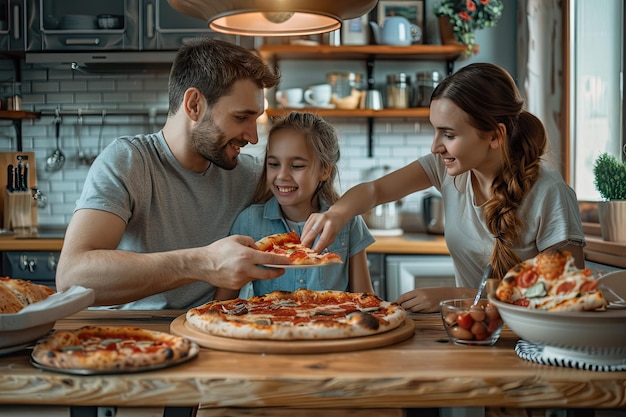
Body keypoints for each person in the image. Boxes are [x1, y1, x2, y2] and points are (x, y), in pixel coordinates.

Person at [300, 63, 586, 313]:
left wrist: (459, 296)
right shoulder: (448, 170)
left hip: (530, 341)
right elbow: (376, 191)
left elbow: (563, 288)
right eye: (435, 130)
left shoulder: (550, 192)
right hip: (472, 330)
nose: (435, 146)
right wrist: (335, 214)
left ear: (495, 136)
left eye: (448, 134)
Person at [56, 38, 292, 309]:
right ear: (194, 105)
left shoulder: (247, 173)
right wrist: (203, 263)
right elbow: (72, 276)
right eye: (241, 118)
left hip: (213, 330)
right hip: (135, 337)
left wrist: (343, 212)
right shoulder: (130, 161)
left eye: (255, 119)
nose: (252, 137)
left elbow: (326, 204)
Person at [215, 112, 375, 300]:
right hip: (269, 326)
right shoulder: (248, 221)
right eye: (274, 164)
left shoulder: (348, 222)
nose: (282, 175)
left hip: (333, 325)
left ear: (325, 170)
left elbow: (366, 301)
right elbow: (223, 303)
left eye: (297, 166)